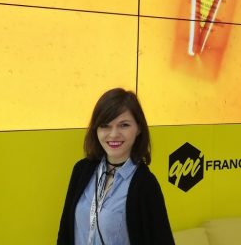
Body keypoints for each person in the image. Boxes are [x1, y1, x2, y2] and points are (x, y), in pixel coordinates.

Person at [57, 88, 175, 245]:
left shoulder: (145, 185)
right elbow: (65, 232)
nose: (113, 134)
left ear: (139, 128)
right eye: (105, 126)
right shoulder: (82, 170)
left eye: (124, 125)